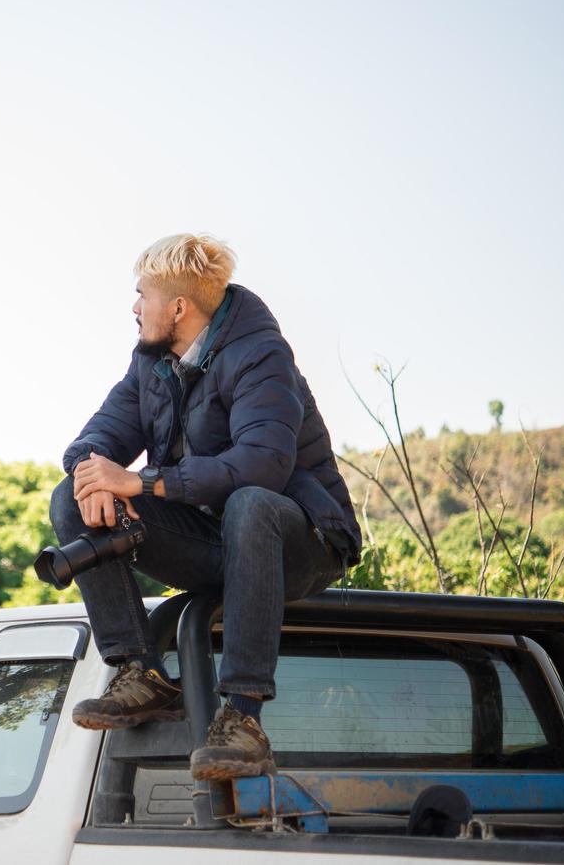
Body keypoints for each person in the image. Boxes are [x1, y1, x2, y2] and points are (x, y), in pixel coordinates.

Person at [52, 233, 361, 782]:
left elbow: (262, 465)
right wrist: (94, 476)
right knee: (69, 500)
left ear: (178, 306)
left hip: (302, 542)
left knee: (250, 503)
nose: (134, 307)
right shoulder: (151, 361)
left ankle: (242, 717)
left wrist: (140, 482)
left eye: (141, 294)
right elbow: (97, 437)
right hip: (218, 542)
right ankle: (139, 671)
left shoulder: (260, 355)